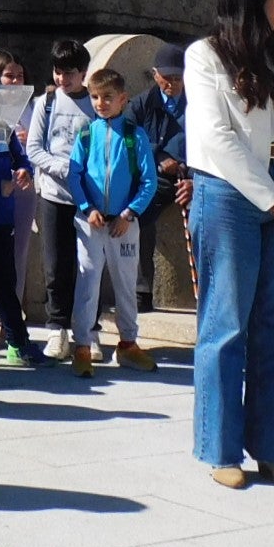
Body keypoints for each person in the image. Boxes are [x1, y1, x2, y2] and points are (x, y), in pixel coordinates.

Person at [185, 0, 274, 492]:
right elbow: (216, 136)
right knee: (227, 324)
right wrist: (272, 198)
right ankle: (220, 450)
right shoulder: (205, 56)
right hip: (230, 193)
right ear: (248, 1)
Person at [67, 68, 160, 377]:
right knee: (88, 281)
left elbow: (149, 181)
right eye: (94, 97)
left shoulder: (135, 136)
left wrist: (129, 213)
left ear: (123, 99)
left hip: (123, 222)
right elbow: (75, 174)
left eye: (108, 97)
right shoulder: (85, 133)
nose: (100, 103)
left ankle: (128, 344)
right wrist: (86, 207)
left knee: (125, 284)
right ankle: (82, 345)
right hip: (90, 221)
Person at [26, 39, 96, 359]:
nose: (62, 79)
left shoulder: (94, 106)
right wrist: (63, 168)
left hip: (88, 198)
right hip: (54, 194)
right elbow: (34, 149)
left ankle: (87, 330)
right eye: (57, 72)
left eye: (69, 73)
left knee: (88, 266)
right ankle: (57, 329)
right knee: (55, 265)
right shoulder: (47, 103)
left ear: (83, 72)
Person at [0, 53, 43, 368]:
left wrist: (22, 171)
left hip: (5, 215)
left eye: (20, 76)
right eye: (8, 76)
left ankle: (16, 342)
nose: (15, 82)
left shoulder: (4, 125)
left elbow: (20, 156)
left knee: (6, 277)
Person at [128, 45, 192, 312]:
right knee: (141, 213)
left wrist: (189, 171)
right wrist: (157, 159)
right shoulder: (142, 104)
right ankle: (142, 290)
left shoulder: (197, 105)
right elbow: (129, 141)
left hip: (193, 175)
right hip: (155, 176)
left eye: (178, 78)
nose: (172, 84)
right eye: (167, 78)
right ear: (155, 75)